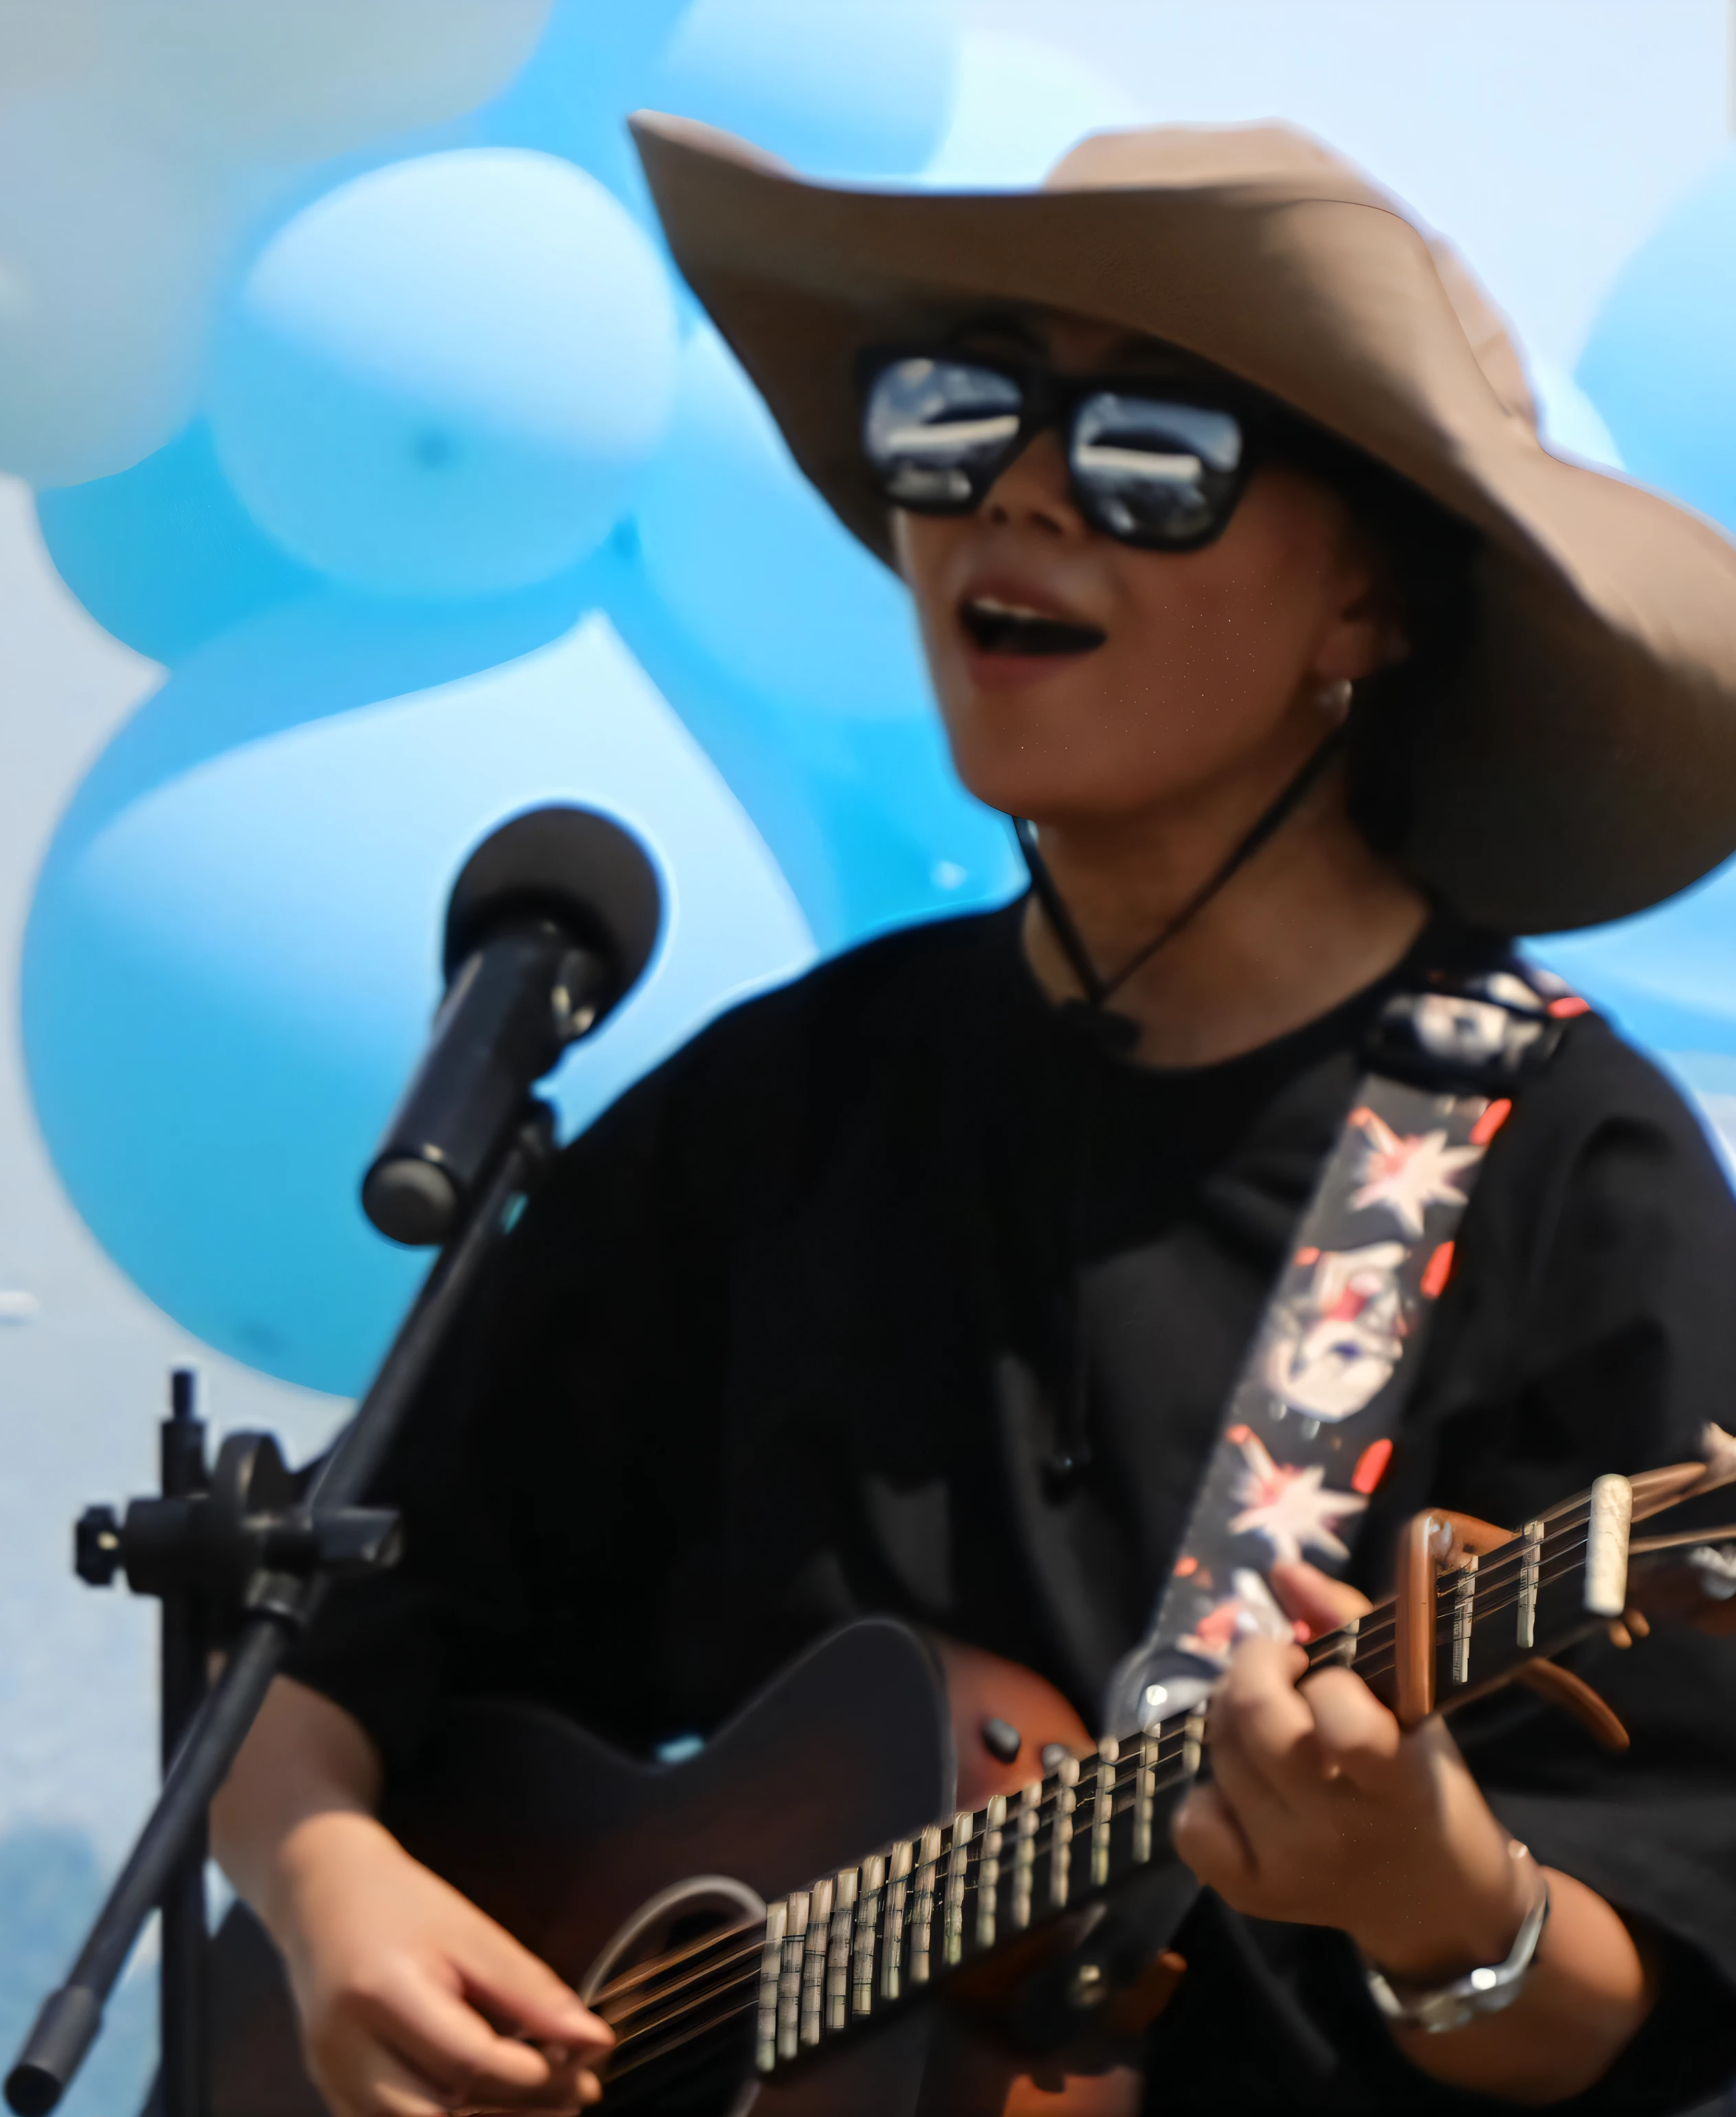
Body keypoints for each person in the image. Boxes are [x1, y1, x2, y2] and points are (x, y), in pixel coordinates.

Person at [212, 118, 1736, 2115]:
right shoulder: (780, 1114)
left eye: (1151, 457)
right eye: (957, 420)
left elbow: (1663, 1991)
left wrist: (1440, 1902)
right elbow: (302, 1664)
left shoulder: (1569, 1176)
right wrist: (334, 1900)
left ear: (1365, 607)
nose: (1020, 494)